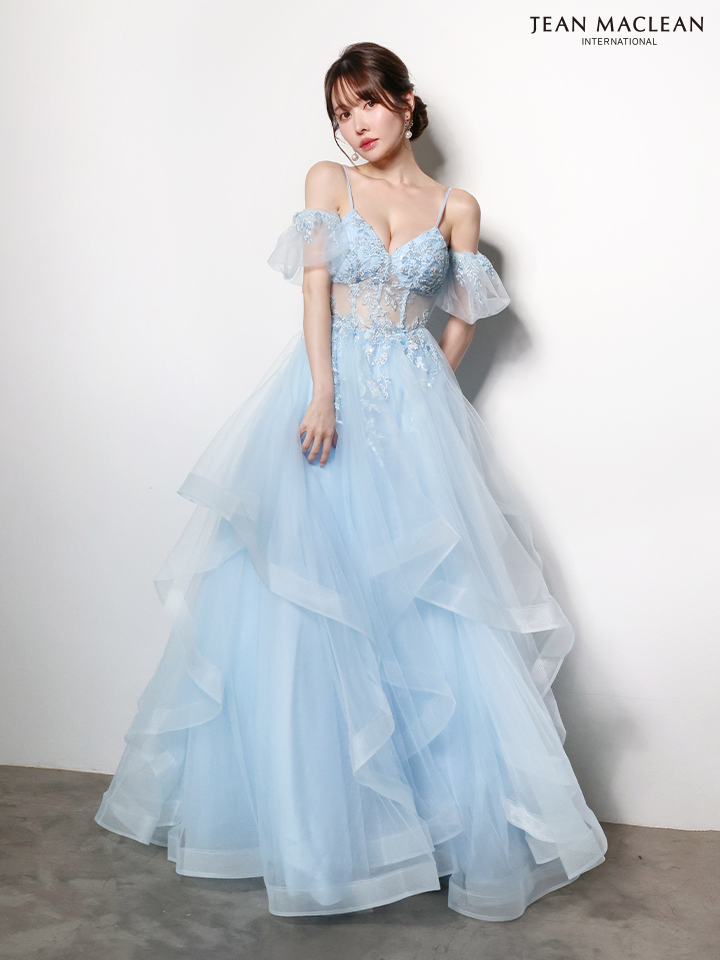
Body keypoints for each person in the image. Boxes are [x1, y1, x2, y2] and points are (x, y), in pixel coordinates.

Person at [95, 41, 607, 921]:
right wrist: (325, 392)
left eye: (365, 103)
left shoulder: (455, 205)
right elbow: (314, 291)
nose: (353, 125)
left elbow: (464, 315)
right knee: (310, 602)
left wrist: (431, 387)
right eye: (340, 112)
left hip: (414, 407)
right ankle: (320, 830)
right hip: (325, 397)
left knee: (429, 601)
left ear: (405, 102)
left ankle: (433, 829)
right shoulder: (328, 183)